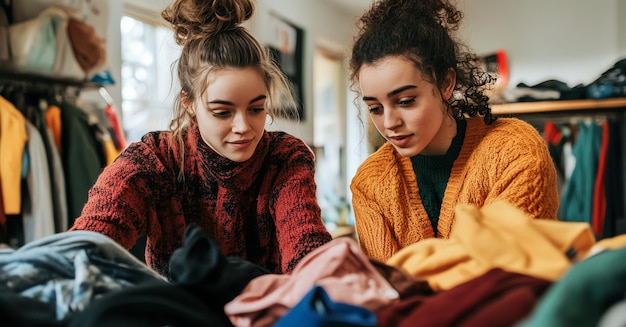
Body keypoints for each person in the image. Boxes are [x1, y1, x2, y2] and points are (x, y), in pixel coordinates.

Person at [70, 0, 332, 277]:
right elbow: (88, 244)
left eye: (256, 109)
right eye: (222, 112)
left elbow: (307, 247)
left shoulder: (285, 158)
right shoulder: (153, 160)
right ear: (189, 102)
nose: (244, 126)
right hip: (180, 318)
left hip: (272, 316)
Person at [348, 0, 559, 262]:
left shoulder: (515, 152)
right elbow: (388, 292)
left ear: (446, 83)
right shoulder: (370, 183)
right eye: (375, 108)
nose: (389, 123)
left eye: (405, 102)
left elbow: (505, 273)